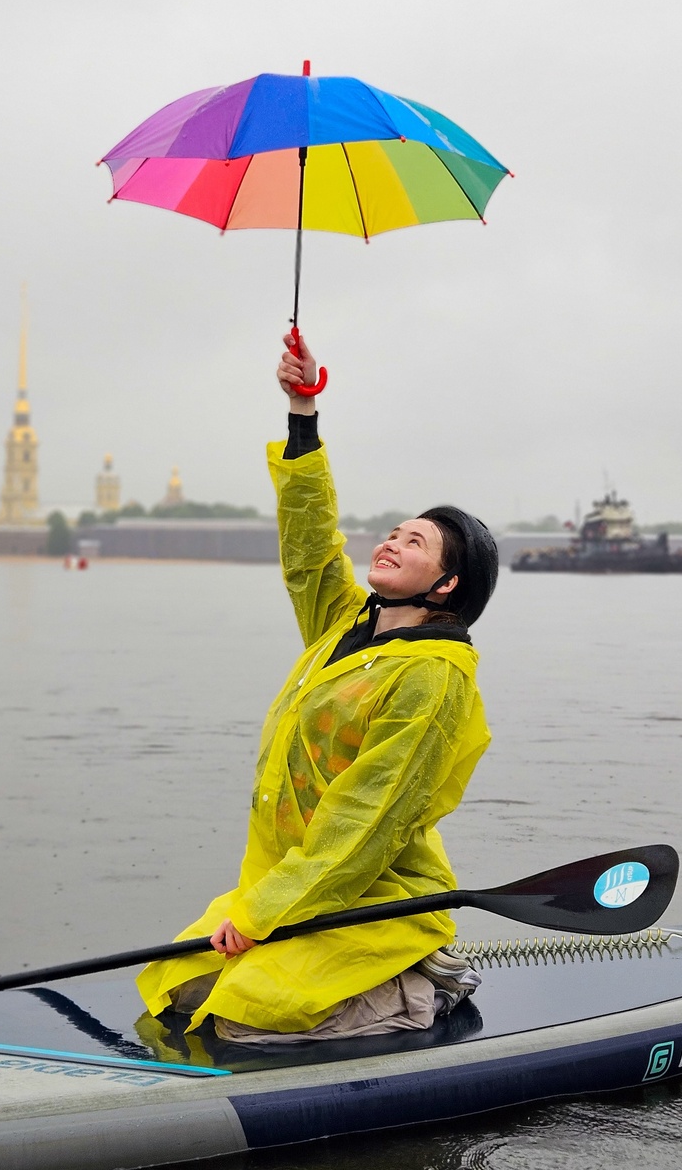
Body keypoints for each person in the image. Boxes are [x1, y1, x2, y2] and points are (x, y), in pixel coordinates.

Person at [136, 332, 497, 1042]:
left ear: (447, 584)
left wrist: (263, 914)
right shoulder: (345, 625)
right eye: (393, 532)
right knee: (176, 989)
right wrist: (303, 414)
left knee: (245, 1019)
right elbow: (309, 548)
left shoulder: (434, 680)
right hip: (295, 887)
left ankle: (422, 985)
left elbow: (361, 825)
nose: (390, 542)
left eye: (415, 543)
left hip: (372, 901)